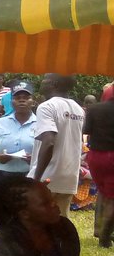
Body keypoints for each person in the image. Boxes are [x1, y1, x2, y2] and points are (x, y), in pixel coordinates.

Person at [31, 73, 86, 215]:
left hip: (48, 175)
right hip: (69, 175)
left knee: (36, 222)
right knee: (61, 223)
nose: (42, 81)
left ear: (54, 84)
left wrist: (36, 179)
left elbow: (49, 141)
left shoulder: (47, 107)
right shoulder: (78, 109)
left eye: (45, 79)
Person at [0, 80, 37, 184]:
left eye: (26, 98)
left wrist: (34, 159)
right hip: (1, 177)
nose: (22, 101)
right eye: (17, 98)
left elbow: (49, 152)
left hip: (30, 177)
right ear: (11, 102)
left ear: (33, 102)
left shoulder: (41, 125)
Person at [84, 90, 114, 246]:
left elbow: (86, 131)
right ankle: (105, 236)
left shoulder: (94, 109)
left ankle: (99, 229)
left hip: (95, 157)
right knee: (112, 199)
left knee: (103, 193)